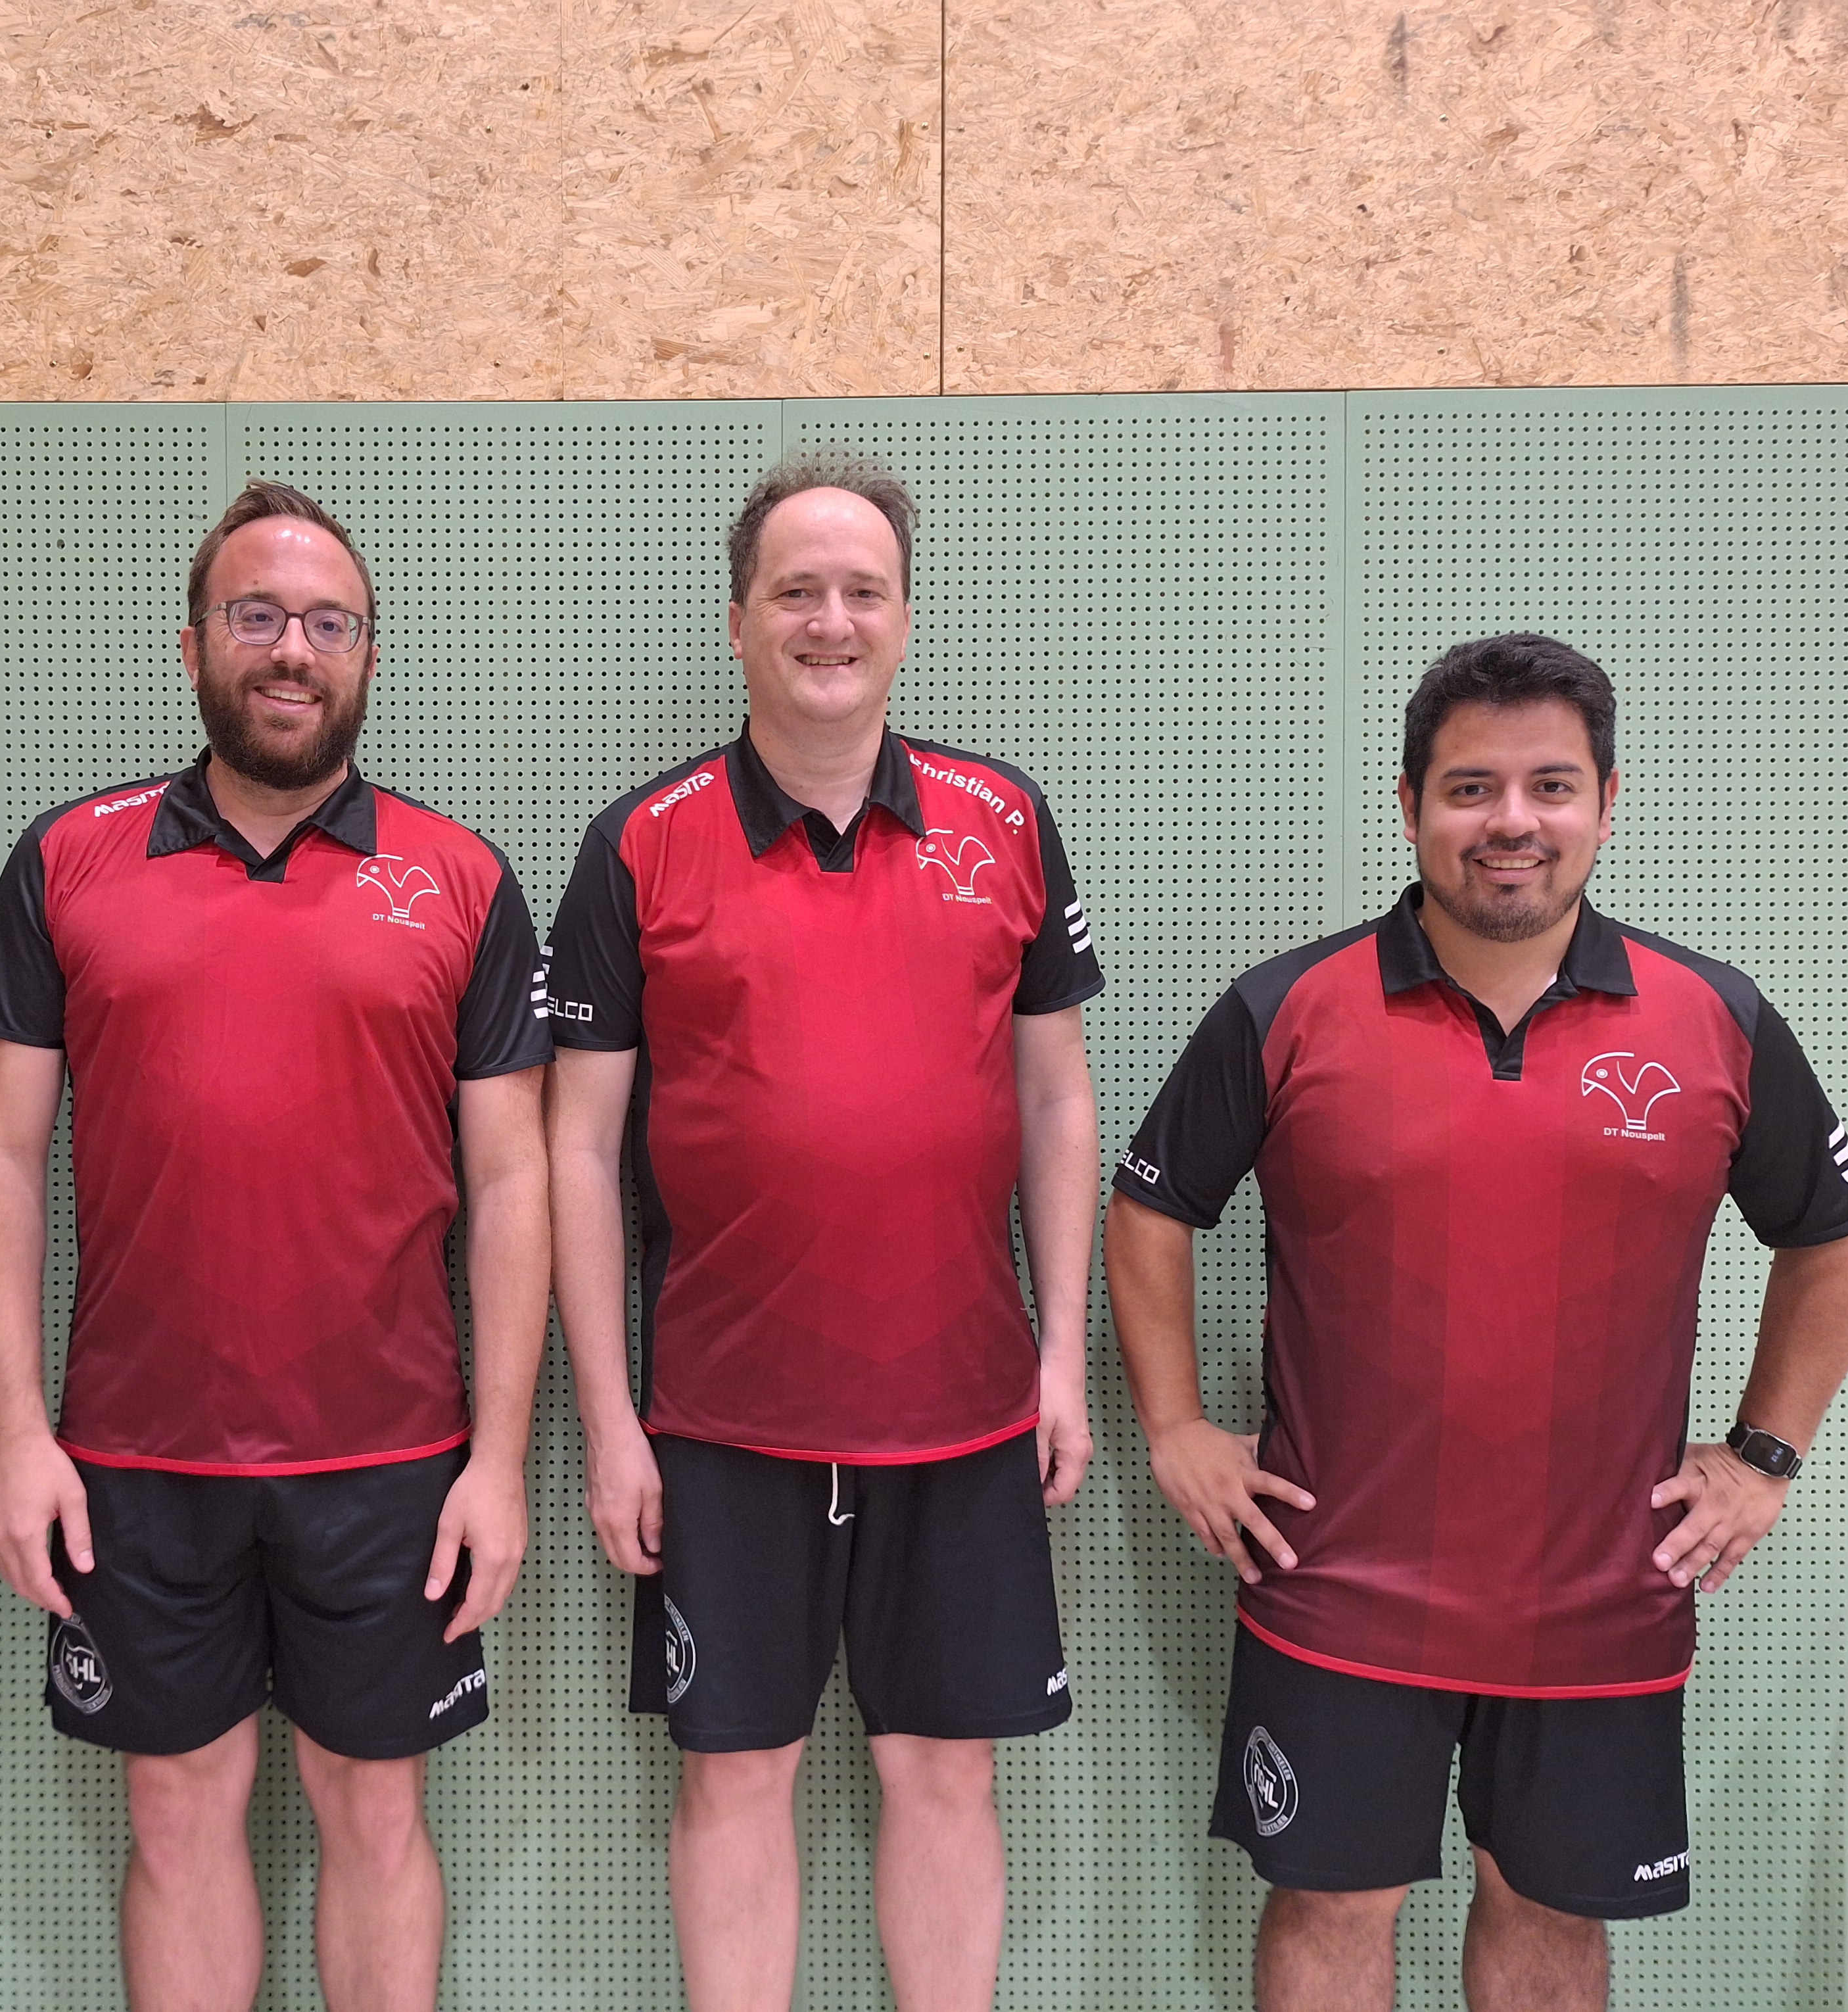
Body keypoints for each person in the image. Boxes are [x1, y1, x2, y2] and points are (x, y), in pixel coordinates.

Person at [1104, 633, 1848, 2012]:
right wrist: (1174, 1427)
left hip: (1600, 1599)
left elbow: (1832, 1234)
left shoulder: (1715, 1018)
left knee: (1549, 1917)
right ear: (1412, 806)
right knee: (1332, 1905)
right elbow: (1153, 1207)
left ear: (1606, 804)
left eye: (1549, 786)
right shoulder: (1288, 1009)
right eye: (1470, 788)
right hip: (1340, 1589)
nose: (1511, 821)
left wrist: (1764, 1456)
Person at [0, 479, 552, 2012]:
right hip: (136, 1458)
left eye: (329, 624)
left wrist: (498, 1459)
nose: (293, 649)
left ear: (370, 656)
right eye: (259, 616)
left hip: (391, 1460)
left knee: (377, 1814)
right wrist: (17, 1435)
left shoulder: (462, 879)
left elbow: (514, 1182)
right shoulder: (69, 860)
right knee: (173, 1817)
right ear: (194, 644)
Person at [544, 454, 1103, 2012]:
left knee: (946, 1773)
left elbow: (1057, 1101)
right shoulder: (640, 843)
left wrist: (1063, 1357)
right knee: (735, 1777)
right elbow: (575, 1148)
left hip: (964, 1408)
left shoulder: (1005, 820)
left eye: (863, 590)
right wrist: (611, 1423)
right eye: (796, 590)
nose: (830, 620)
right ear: (740, 621)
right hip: (724, 1422)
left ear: (906, 620)